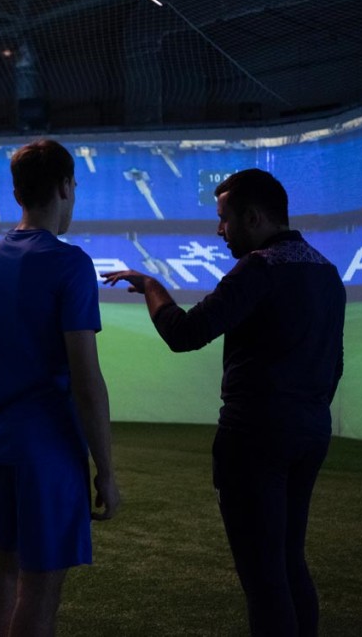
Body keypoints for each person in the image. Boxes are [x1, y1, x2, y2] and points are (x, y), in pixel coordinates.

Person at [103, 168, 345, 637]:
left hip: (255, 438)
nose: (219, 231)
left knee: (264, 577)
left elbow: (185, 333)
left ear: (253, 218)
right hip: (311, 433)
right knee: (290, 562)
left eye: (224, 219)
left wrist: (152, 288)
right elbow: (333, 366)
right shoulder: (326, 271)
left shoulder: (259, 269)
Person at [0, 139, 120, 637]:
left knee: (2, 573)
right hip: (48, 450)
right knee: (40, 589)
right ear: (63, 186)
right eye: (74, 185)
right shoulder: (70, 263)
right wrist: (106, 469)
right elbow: (86, 379)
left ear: (18, 192)